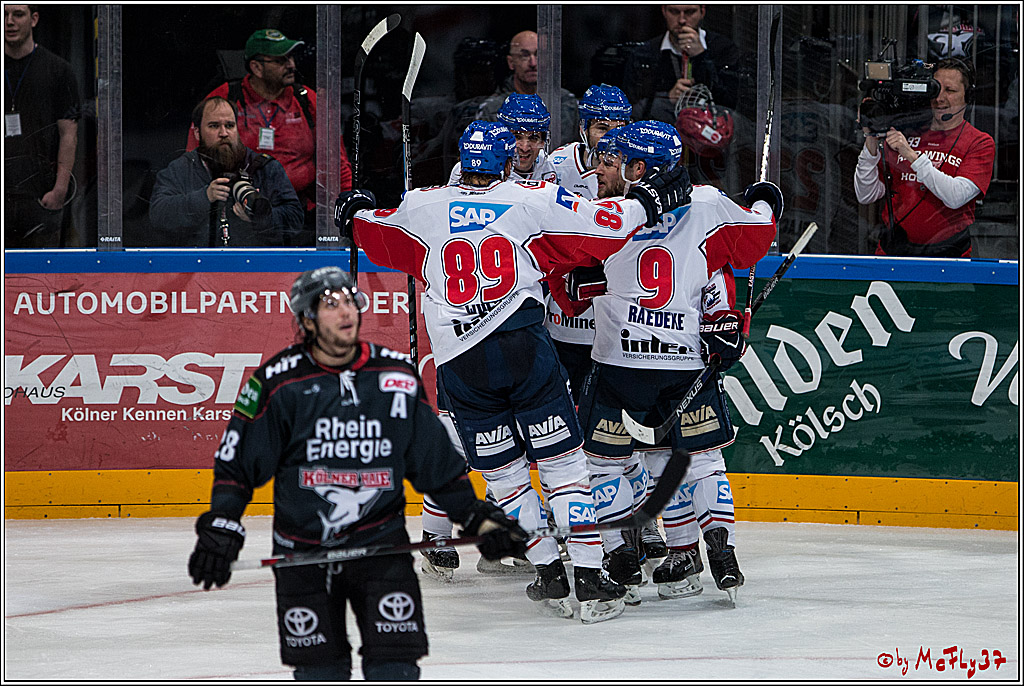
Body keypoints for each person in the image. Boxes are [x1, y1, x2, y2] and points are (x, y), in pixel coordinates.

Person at [335, 120, 692, 623]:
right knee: (565, 469)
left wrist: (354, 209)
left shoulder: (420, 205)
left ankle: (547, 570)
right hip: (524, 347)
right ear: (506, 161)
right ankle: (588, 577)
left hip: (460, 363)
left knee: (504, 477)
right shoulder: (534, 199)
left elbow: (369, 226)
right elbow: (607, 226)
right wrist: (648, 202)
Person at [187, 266, 528, 682]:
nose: (346, 311)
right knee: (319, 672)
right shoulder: (278, 383)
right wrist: (221, 527)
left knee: (395, 668)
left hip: (380, 551)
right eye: (331, 304)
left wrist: (478, 519)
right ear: (307, 319)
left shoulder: (395, 377)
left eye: (350, 300)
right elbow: (236, 467)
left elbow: (436, 466)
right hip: (303, 554)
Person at [574, 119, 779, 603]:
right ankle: (720, 548)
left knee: (603, 465)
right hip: (683, 363)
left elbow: (570, 289)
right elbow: (757, 237)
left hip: (618, 368)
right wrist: (766, 196)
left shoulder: (604, 214)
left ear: (638, 168)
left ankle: (619, 550)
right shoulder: (707, 204)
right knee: (703, 462)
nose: (598, 170)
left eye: (608, 160)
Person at [187, 29, 352, 243]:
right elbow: (194, 160)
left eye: (291, 57)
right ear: (256, 67)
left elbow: (338, 164)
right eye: (281, 60)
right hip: (236, 216)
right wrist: (201, 206)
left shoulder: (307, 100)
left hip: (296, 215)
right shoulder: (224, 98)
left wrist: (347, 214)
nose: (291, 64)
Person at [853, 58, 995, 257]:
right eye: (936, 89)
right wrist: (870, 140)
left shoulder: (979, 142)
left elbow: (955, 197)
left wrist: (911, 155)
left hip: (949, 255)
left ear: (967, 96)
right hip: (894, 252)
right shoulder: (906, 133)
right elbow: (866, 194)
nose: (940, 98)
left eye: (950, 91)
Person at [150, 96, 303, 246]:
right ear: (197, 133)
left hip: (254, 265)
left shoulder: (264, 167)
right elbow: (158, 216)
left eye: (229, 125)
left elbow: (295, 219)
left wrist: (259, 217)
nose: (223, 133)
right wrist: (205, 197)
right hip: (198, 265)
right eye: (214, 126)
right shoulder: (180, 169)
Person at [4, 4, 80, 248]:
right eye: (4, 15)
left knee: (42, 279)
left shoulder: (59, 70)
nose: (9, 21)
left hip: (40, 196)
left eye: (17, 14)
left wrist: (60, 189)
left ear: (34, 19)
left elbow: (69, 134)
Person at [623, 5, 747, 124]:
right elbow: (632, 106)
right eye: (674, 12)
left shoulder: (723, 49)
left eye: (689, 12)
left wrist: (701, 56)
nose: (682, 20)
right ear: (664, 11)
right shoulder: (645, 53)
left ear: (702, 12)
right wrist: (667, 98)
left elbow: (732, 103)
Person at [475, 30, 579, 147]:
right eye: (524, 56)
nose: (533, 63)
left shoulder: (567, 103)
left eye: (538, 54)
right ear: (511, 62)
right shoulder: (492, 108)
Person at [447, 93, 557, 185]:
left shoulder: (547, 167)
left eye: (533, 138)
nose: (525, 147)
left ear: (543, 141)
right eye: (517, 137)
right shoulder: (475, 167)